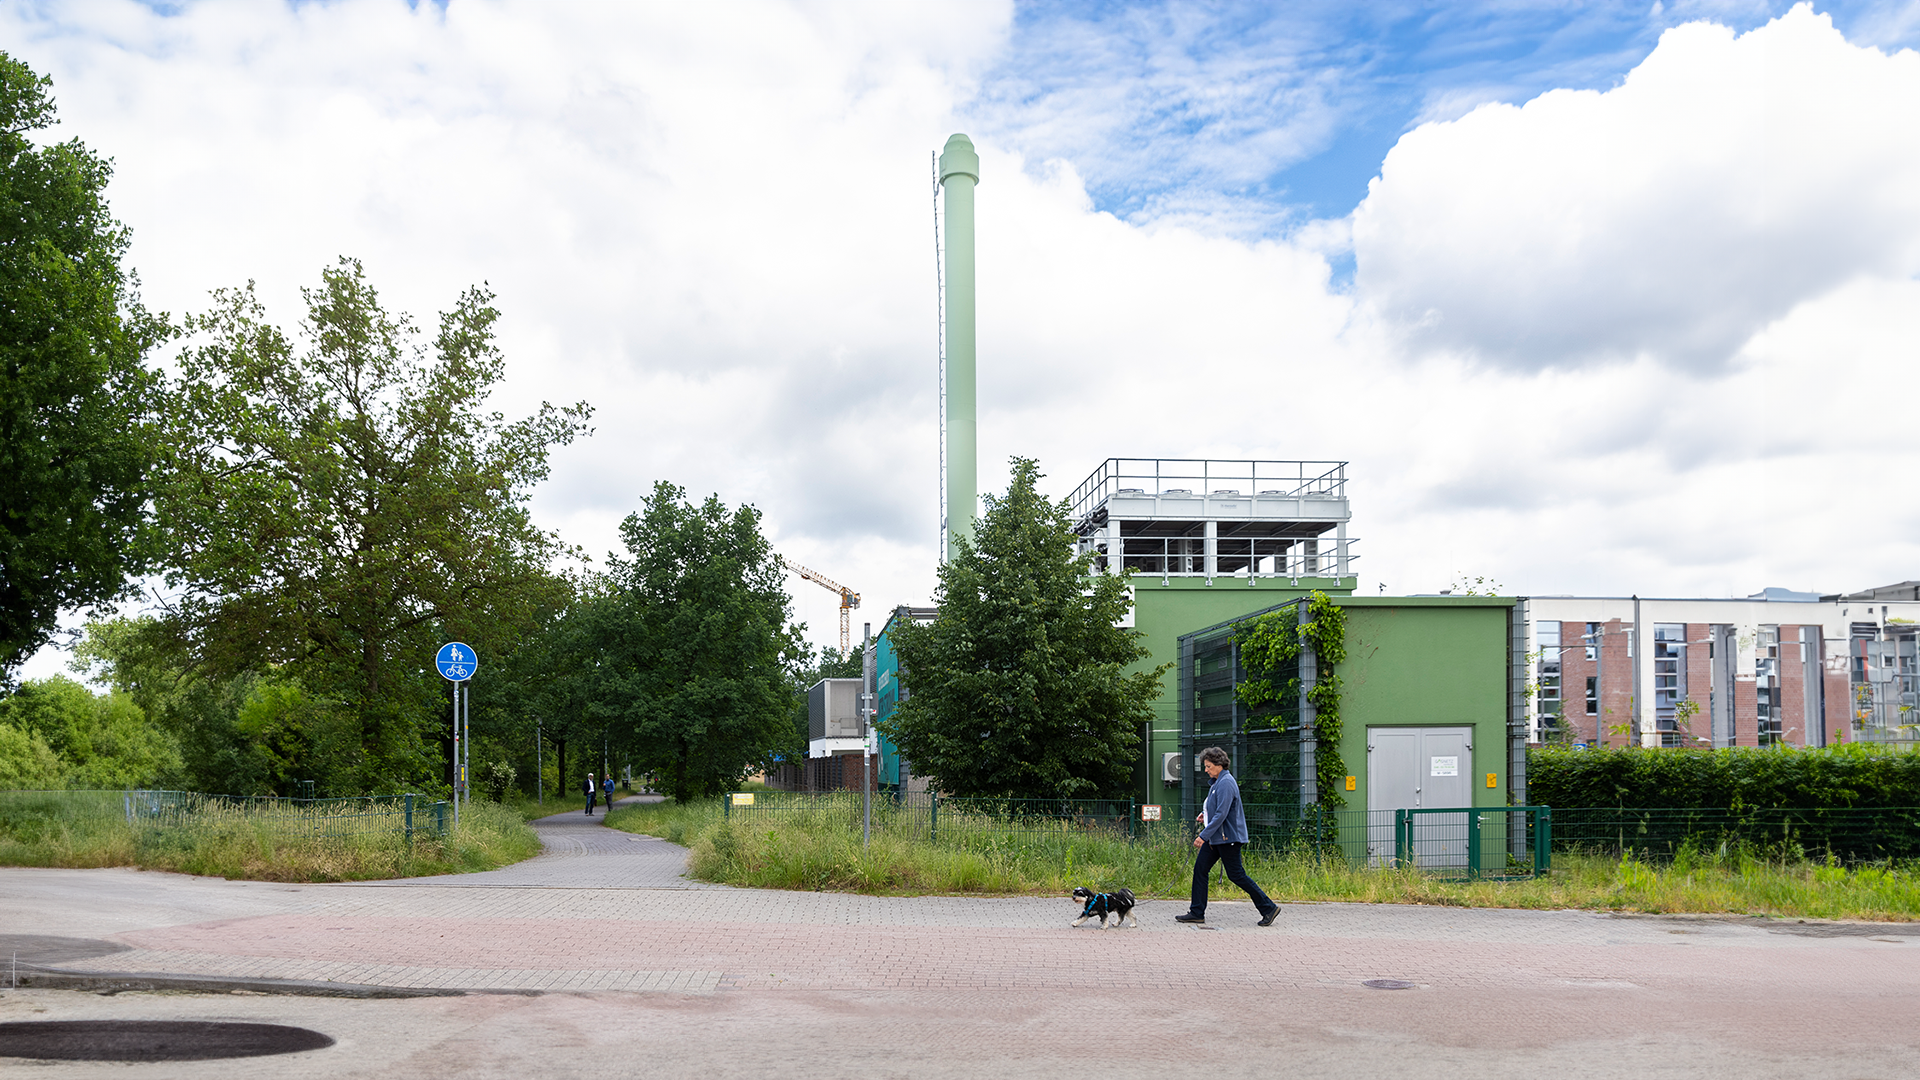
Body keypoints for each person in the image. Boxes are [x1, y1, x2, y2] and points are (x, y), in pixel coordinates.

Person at [1175, 747, 1279, 926]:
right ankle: (1196, 912)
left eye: (1208, 766)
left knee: (1236, 875)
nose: (1206, 769)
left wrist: (1203, 836)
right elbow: (1216, 808)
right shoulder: (1217, 782)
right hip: (1216, 838)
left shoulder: (1226, 783)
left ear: (1219, 764)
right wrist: (1204, 815)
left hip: (1227, 839)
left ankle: (1268, 907)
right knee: (1200, 869)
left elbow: (1222, 813)